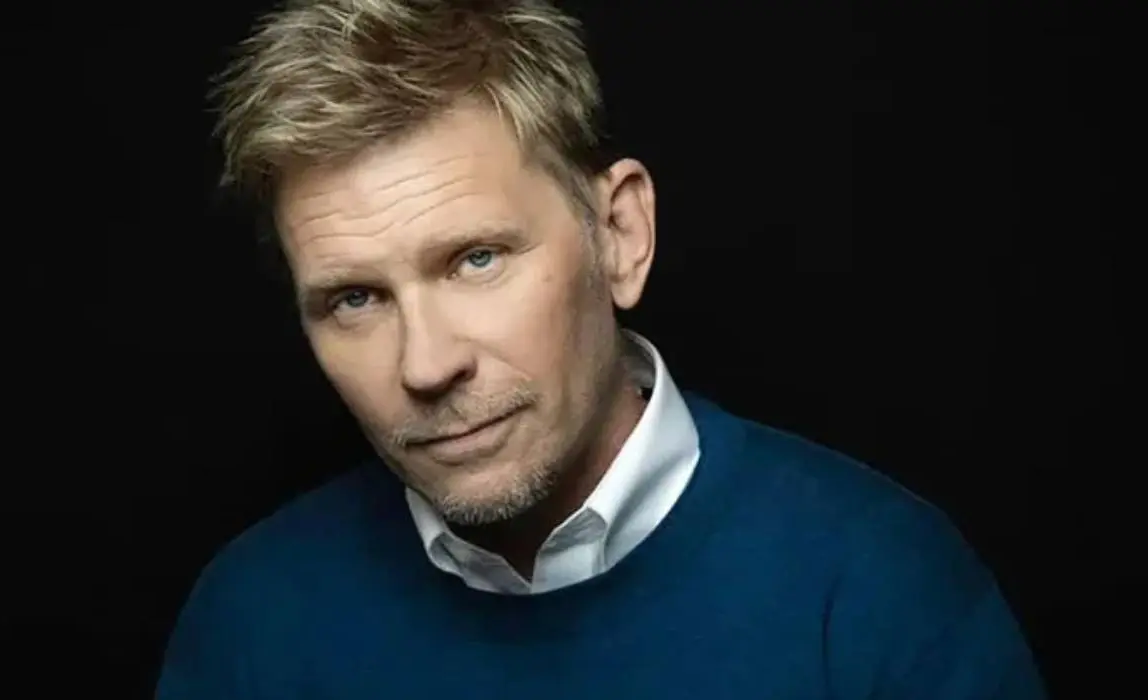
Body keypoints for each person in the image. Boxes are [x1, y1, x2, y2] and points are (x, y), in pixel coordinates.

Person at [157, 1, 1047, 697]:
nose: (425, 366)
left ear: (619, 235)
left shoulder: (878, 586)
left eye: (477, 259)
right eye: (355, 299)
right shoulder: (252, 620)